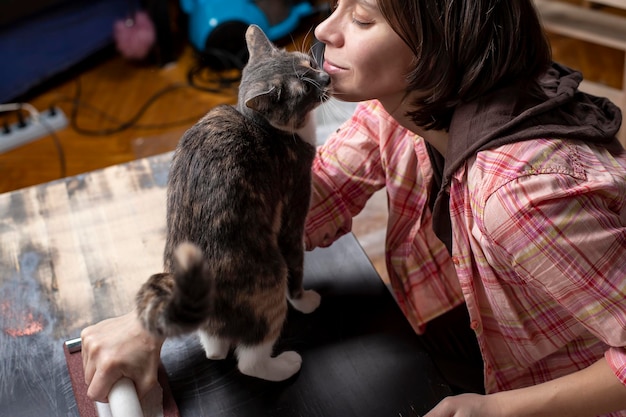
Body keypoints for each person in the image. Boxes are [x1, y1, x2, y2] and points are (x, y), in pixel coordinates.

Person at [80, 0, 626, 415]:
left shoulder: (523, 197)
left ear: (440, 48)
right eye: (337, 3)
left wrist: (499, 409)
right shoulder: (400, 111)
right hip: (464, 331)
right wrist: (152, 315)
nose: (323, 30)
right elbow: (304, 206)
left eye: (362, 19)